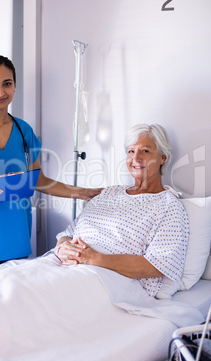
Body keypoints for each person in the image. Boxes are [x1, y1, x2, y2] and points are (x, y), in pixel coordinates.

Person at [0, 54, 101, 275]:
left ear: (15, 86)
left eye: (7, 84)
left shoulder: (23, 131)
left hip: (14, 238)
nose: (0, 92)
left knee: (12, 307)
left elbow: (40, 180)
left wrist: (82, 192)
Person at [54, 123, 189, 297]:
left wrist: (94, 259)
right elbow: (68, 233)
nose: (136, 158)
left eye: (145, 151)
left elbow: (157, 266)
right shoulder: (109, 192)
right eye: (131, 151)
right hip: (63, 265)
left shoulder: (169, 207)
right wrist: (62, 247)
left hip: (108, 278)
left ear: (162, 157)